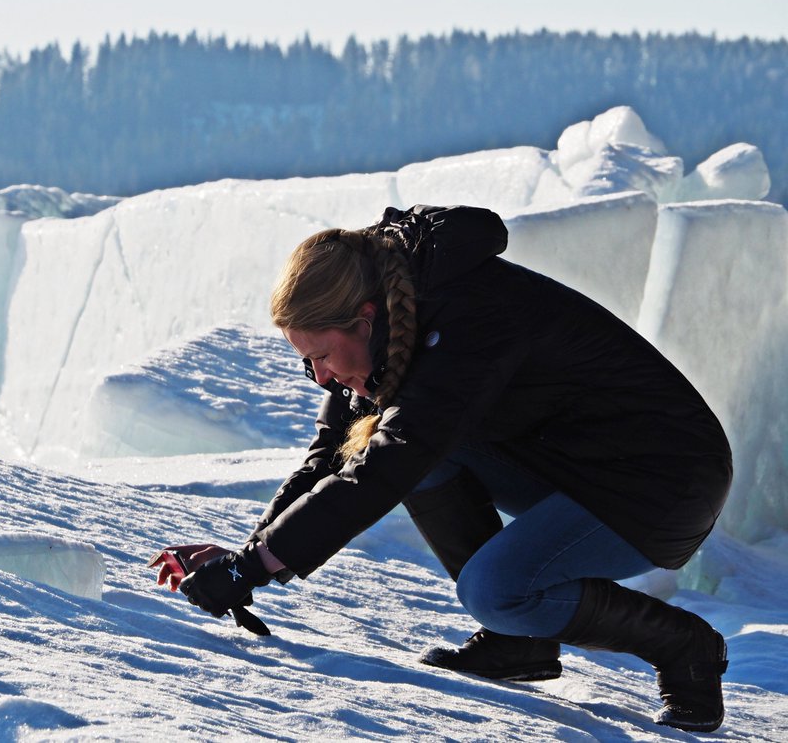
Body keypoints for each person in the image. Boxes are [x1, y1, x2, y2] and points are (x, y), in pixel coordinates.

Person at [151, 204, 732, 733]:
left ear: (365, 318)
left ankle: (685, 648)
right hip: (580, 463)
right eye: (308, 365)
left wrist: (252, 569)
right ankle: (518, 645)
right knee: (411, 453)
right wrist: (247, 554)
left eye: (322, 357)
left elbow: (386, 466)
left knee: (493, 587)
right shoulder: (394, 321)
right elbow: (332, 456)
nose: (322, 378)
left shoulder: (467, 319)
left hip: (665, 482)